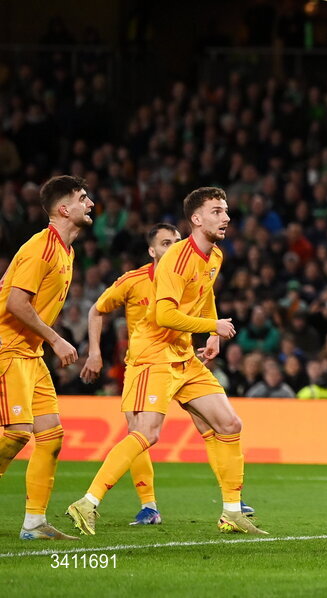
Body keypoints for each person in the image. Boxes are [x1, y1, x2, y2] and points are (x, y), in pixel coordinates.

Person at [67, 187, 265, 535]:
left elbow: (204, 296)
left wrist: (213, 336)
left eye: (227, 211)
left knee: (229, 424)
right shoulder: (174, 260)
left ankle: (232, 511)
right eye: (217, 211)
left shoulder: (215, 256)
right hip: (152, 359)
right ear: (197, 219)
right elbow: (164, 314)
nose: (227, 217)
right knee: (146, 434)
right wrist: (211, 326)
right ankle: (88, 503)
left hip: (184, 357)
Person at [0, 175, 92, 540]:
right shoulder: (42, 247)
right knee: (17, 434)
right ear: (64, 208)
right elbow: (15, 302)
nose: (91, 204)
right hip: (8, 348)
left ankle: (34, 523)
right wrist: (57, 340)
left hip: (30, 352)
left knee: (51, 435)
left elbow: (7, 283)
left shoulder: (65, 250)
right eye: (83, 198)